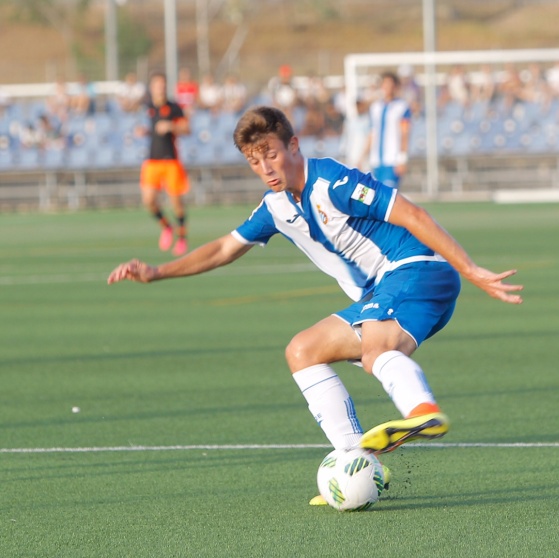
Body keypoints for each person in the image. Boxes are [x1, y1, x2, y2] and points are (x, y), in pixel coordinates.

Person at [107, 105, 523, 505]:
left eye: (271, 154)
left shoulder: (332, 180)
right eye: (255, 161)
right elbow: (222, 248)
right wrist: (157, 272)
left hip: (416, 269)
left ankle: (423, 412)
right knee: (303, 351)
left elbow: (411, 214)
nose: (266, 168)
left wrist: (469, 268)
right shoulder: (276, 208)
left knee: (378, 347)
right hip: (389, 291)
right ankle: (355, 460)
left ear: (293, 146)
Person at [140, 72, 192, 256]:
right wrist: (143, 131)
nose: (160, 88)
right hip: (152, 160)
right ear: (152, 87)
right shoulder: (148, 107)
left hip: (171, 160)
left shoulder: (174, 108)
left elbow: (187, 128)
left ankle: (182, 236)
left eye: (163, 84)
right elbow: (149, 128)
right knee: (148, 200)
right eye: (157, 84)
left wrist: (171, 127)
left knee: (176, 203)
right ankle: (166, 227)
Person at [365, 71, 411, 189]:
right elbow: (372, 133)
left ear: (395, 87)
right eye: (385, 84)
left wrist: (402, 158)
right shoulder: (375, 107)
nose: (387, 87)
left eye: (390, 84)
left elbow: (405, 133)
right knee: (373, 197)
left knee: (388, 197)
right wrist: (363, 156)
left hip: (392, 160)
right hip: (376, 161)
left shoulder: (402, 106)